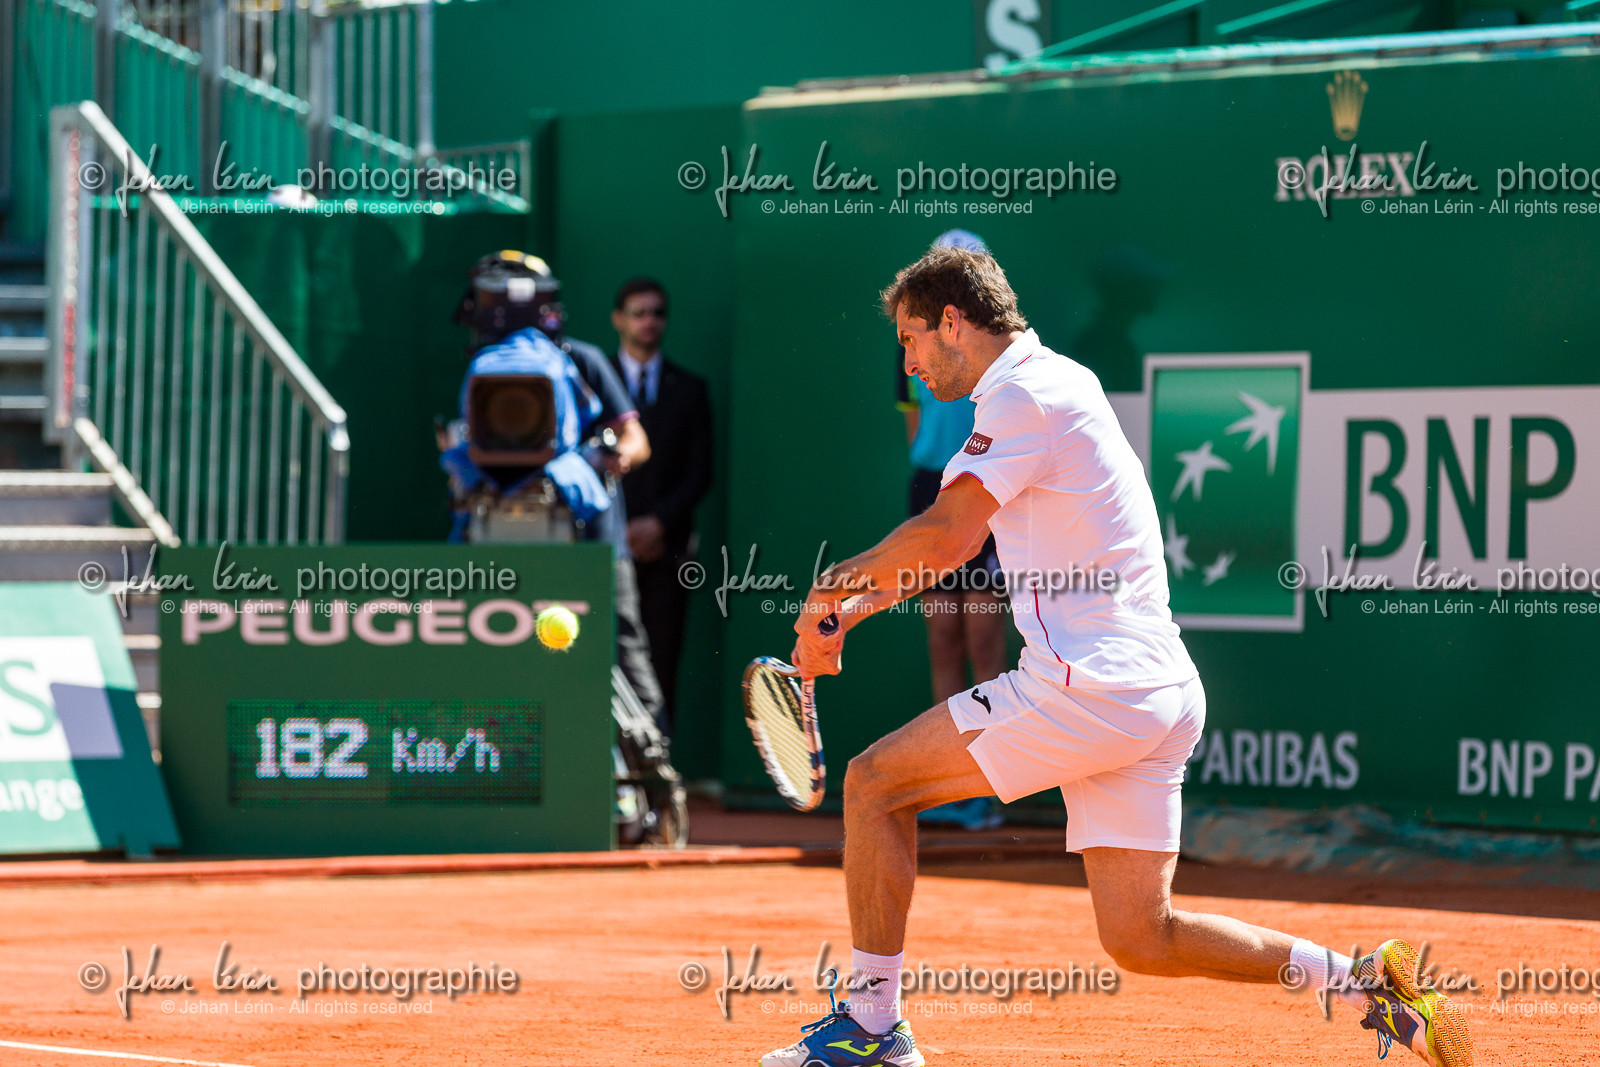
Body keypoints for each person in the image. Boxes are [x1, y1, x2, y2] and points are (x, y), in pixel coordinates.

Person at [760, 246, 1472, 1067]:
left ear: (954, 320)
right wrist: (851, 611)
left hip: (1087, 688)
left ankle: (871, 1027)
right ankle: (1365, 982)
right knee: (1144, 933)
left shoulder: (1022, 394)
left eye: (912, 337)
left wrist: (830, 588)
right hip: (1158, 692)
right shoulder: (1058, 381)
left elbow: (946, 531)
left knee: (875, 785)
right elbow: (952, 548)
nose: (909, 361)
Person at [451, 251, 665, 728]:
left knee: (625, 656)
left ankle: (650, 781)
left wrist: (606, 459)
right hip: (500, 548)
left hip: (596, 544)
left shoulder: (581, 359)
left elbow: (637, 441)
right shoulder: (483, 369)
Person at [896, 230, 1007, 832]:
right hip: (930, 489)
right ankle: (948, 781)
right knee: (943, 638)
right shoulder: (911, 344)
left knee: (984, 643)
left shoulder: (993, 346)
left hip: (986, 491)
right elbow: (913, 422)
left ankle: (990, 784)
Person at [609, 278, 712, 734]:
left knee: (661, 656)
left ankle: (658, 769)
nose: (648, 322)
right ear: (619, 319)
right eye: (638, 313)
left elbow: (699, 473)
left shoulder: (689, 390)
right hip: (608, 548)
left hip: (668, 551)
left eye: (656, 313)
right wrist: (620, 529)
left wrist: (656, 524)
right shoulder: (595, 383)